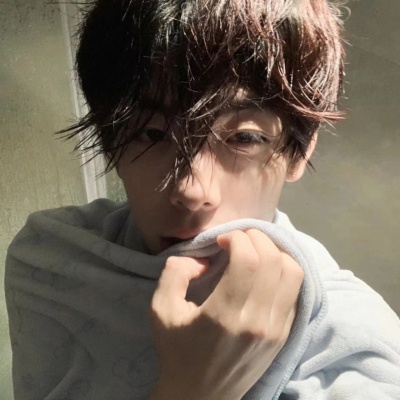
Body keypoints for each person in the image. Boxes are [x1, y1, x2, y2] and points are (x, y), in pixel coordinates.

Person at [5, 0, 400, 399]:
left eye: (244, 138)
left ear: (299, 153)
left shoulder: (353, 344)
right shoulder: (53, 259)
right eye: (152, 134)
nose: (191, 192)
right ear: (111, 144)